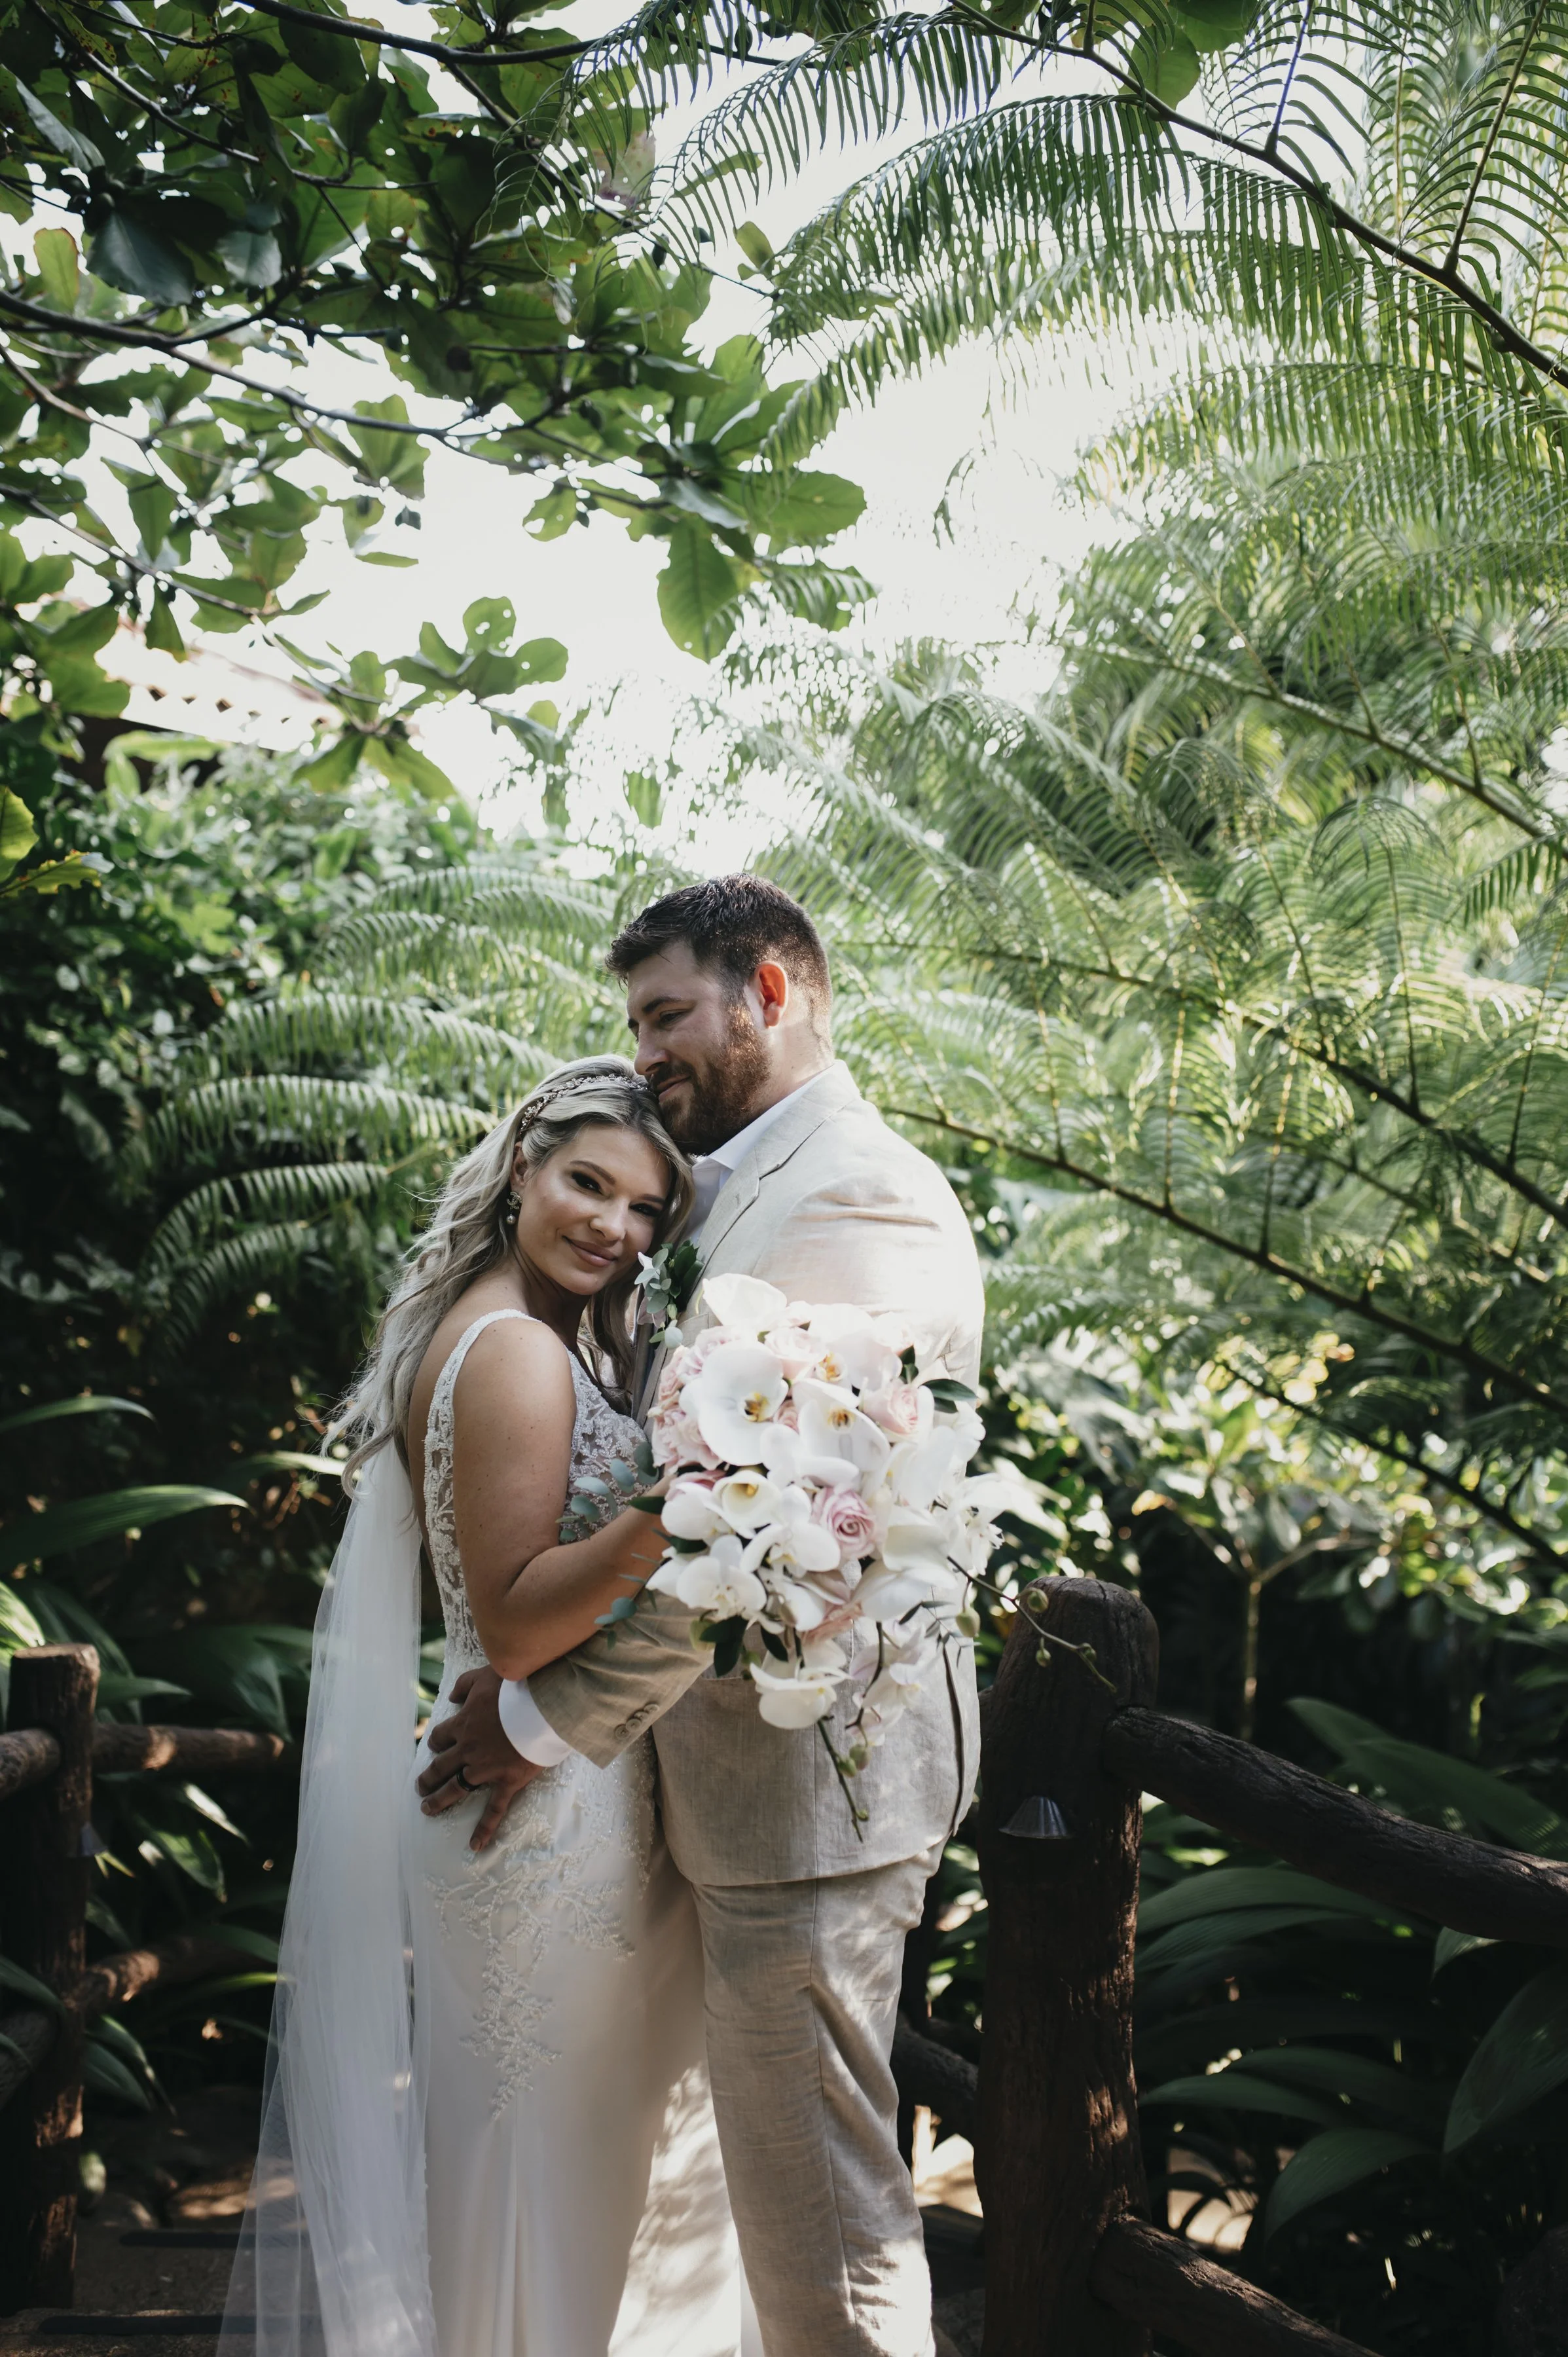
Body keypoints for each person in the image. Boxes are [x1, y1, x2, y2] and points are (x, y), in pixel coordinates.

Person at [418, 878, 986, 2357]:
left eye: (669, 1015)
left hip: (811, 1787)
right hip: (711, 1795)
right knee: (740, 2236)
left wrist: (547, 1719)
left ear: (773, 992)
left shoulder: (859, 1193)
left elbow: (769, 1530)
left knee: (829, 2244)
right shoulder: (727, 1183)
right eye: (636, 1024)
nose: (648, 1051)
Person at [222, 1058, 756, 2357]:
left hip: (547, 1803)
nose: (611, 1229)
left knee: (559, 2177)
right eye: (587, 1184)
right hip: (539, 1823)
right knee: (545, 2185)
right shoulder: (512, 1349)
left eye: (642, 1211)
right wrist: (690, 1497)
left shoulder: (518, 1325)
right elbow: (517, 1619)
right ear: (522, 1166)